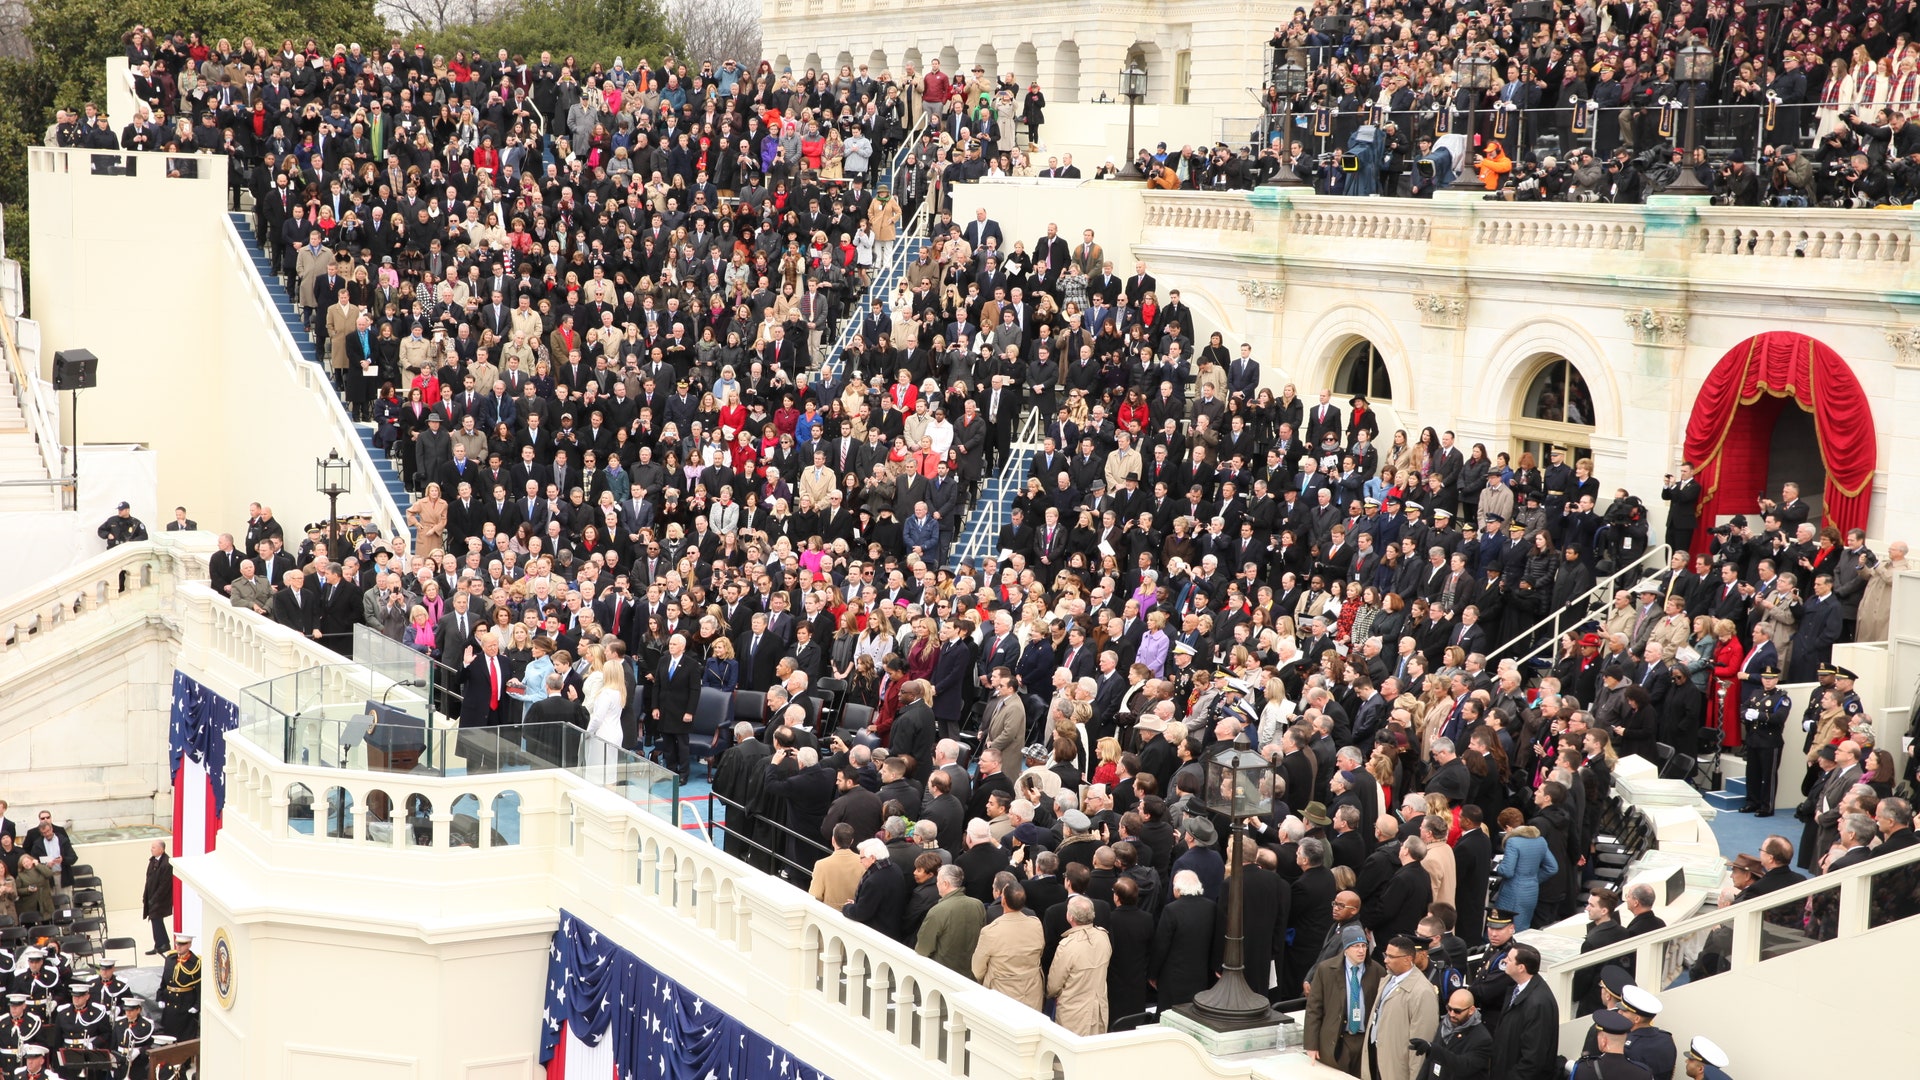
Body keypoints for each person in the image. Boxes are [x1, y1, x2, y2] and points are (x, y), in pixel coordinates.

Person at [1303, 925, 1382, 1075]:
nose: (1361, 950)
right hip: (1338, 1038)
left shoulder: (1376, 971)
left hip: (1364, 1040)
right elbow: (1314, 1008)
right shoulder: (1326, 970)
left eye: (1364, 946)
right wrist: (1311, 1045)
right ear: (1345, 949)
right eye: (1356, 946)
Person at [1361, 935, 1439, 1080]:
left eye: (1391, 956)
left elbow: (1421, 1044)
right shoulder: (1388, 979)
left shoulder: (1422, 992)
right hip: (1376, 1058)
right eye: (1386, 955)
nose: (1385, 960)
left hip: (1397, 1068)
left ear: (1407, 959)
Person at [1485, 943, 1557, 1080]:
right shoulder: (1517, 989)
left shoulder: (1538, 1003)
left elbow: (1533, 1058)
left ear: (1521, 968)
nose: (1505, 960)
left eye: (1510, 959)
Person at [972, 879, 1044, 1010]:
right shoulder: (1036, 924)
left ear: (1003, 901)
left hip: (1001, 997)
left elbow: (977, 970)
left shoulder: (990, 932)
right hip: (1032, 994)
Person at [1047, 895, 1112, 1035]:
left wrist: (1053, 995)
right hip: (1098, 1010)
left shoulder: (1067, 946)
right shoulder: (1103, 937)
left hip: (1072, 1014)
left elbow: (1053, 985)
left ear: (1070, 917)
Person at [915, 864, 985, 975]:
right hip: (971, 975)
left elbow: (923, 949)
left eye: (938, 881)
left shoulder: (937, 911)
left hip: (944, 975)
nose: (936, 884)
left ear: (945, 884)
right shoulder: (978, 905)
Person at [1411, 988, 1493, 1080]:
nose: (1451, 1014)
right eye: (1449, 1009)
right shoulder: (1444, 1024)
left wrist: (1434, 1049)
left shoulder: (1482, 1038)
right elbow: (1429, 1063)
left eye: (1457, 1011)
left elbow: (1463, 1066)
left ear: (1471, 1010)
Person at [158, 933, 202, 1039]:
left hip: (185, 1005)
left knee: (184, 1038)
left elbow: (199, 987)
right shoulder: (170, 959)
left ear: (189, 945)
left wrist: (197, 1006)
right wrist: (160, 996)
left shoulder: (195, 963)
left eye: (182, 944)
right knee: (168, 1036)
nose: (179, 946)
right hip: (170, 1003)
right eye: (177, 944)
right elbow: (164, 980)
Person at [142, 840, 173, 956]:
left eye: (154, 847)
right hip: (152, 897)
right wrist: (146, 895)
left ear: (162, 849)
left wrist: (154, 899)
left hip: (161, 899)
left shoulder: (166, 864)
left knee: (156, 919)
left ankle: (162, 944)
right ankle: (161, 944)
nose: (152, 849)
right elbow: (149, 880)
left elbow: (164, 885)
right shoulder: (153, 861)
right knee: (155, 920)